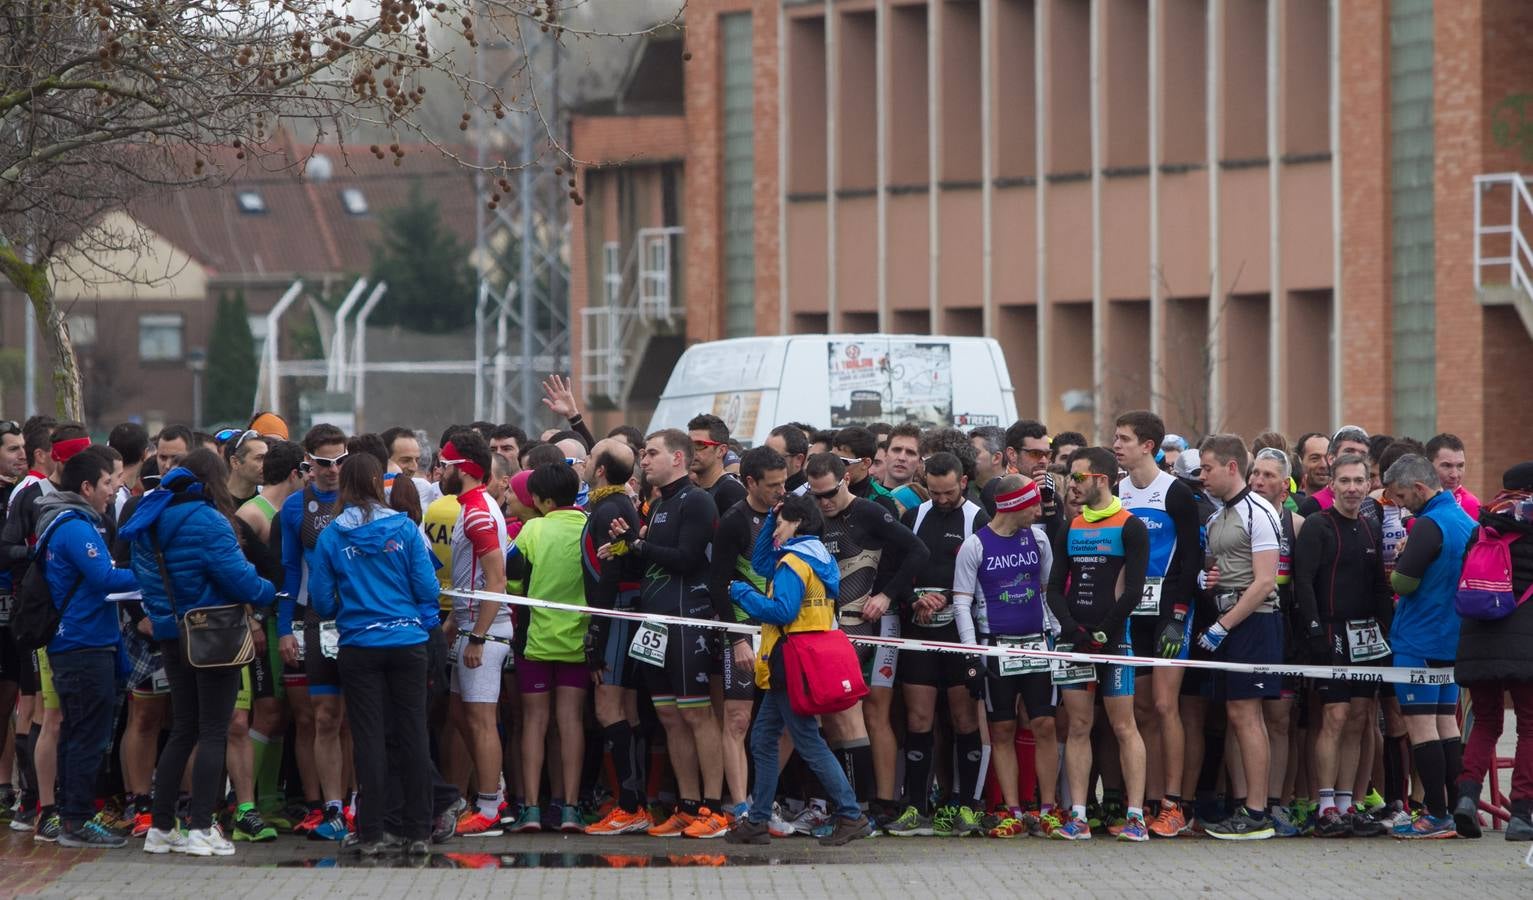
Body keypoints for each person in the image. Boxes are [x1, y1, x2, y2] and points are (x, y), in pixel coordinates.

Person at [124, 449, 276, 857]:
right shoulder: (208, 520)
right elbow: (238, 578)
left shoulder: (148, 516)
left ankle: (160, 827)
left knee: (183, 729)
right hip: (213, 636)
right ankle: (201, 828)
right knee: (213, 730)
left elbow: (141, 573)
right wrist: (267, 592)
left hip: (171, 634)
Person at [306, 454, 439, 857]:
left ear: (345, 485)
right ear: (379, 484)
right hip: (407, 642)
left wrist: (353, 602)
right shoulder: (404, 526)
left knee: (368, 739)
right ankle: (418, 832)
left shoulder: (332, 535)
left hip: (359, 645)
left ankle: (372, 833)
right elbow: (429, 589)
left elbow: (321, 603)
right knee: (414, 734)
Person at [724, 495, 873, 847]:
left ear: (798, 524)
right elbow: (762, 562)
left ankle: (852, 815)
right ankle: (758, 820)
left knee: (807, 742)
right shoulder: (817, 556)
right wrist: (775, 526)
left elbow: (782, 612)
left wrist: (740, 592)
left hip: (792, 660)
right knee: (763, 739)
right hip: (804, 659)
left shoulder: (793, 563)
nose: (774, 529)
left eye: (780, 524)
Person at [600, 429, 727, 839]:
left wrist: (635, 546)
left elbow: (688, 560)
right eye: (642, 453)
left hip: (687, 616)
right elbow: (651, 564)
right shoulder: (656, 504)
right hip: (654, 621)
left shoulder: (697, 499)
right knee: (670, 716)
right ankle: (687, 805)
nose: (644, 459)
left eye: (651, 453)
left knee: (696, 714)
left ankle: (714, 807)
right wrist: (621, 549)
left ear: (678, 458)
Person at [804, 452, 927, 831]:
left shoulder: (870, 511)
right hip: (828, 628)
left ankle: (878, 805)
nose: (824, 503)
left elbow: (917, 552)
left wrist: (888, 595)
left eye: (830, 494)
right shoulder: (812, 512)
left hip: (869, 625)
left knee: (868, 712)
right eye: (817, 495)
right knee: (831, 716)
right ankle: (843, 806)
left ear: (846, 479)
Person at [1045, 446, 1150, 842]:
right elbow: (1054, 589)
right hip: (1076, 639)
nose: (1070, 484)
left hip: (1115, 640)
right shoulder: (1070, 527)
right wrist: (1073, 631)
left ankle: (1136, 817)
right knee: (1078, 726)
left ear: (1100, 480)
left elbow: (1134, 593)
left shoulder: (1130, 526)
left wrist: (1104, 632)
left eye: (1076, 477)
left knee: (1124, 726)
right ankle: (1078, 816)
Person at [38, 449, 138, 848]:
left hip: (88, 642)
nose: (115, 491)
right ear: (86, 487)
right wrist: (156, 574)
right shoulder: (75, 527)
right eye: (110, 483)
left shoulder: (74, 523)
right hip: (81, 645)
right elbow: (104, 577)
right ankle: (76, 820)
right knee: (87, 734)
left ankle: (72, 816)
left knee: (81, 731)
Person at [888, 452, 990, 838]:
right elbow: (896, 568)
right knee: (918, 720)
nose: (943, 499)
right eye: (935, 492)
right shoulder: (913, 515)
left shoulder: (975, 517)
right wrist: (914, 598)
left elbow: (982, 574)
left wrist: (948, 596)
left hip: (959, 633)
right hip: (920, 629)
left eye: (949, 492)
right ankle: (916, 806)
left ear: (962, 482)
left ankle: (966, 805)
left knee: (964, 721)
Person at [1292, 454, 1393, 839]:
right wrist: (1315, 631)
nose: (1353, 488)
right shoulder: (1318, 525)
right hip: (1330, 632)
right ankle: (1325, 804)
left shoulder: (1370, 526)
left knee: (1359, 717)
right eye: (1345, 481)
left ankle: (1348, 803)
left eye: (1359, 481)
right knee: (1333, 718)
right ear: (1331, 485)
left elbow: (1380, 587)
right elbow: (1303, 582)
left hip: (1366, 636)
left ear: (1369, 485)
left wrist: (1388, 631)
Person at [951, 474, 1059, 838]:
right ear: (1013, 504)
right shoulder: (975, 546)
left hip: (1035, 643)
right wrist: (971, 653)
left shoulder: (1039, 538)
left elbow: (1047, 591)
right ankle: (1011, 809)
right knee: (1002, 728)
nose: (1039, 509)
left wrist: (1055, 635)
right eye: (1033, 503)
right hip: (995, 645)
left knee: (1044, 724)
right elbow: (962, 602)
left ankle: (1046, 808)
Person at [1112, 411, 1202, 839]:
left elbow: (1190, 558)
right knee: (1142, 708)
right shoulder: (1118, 492)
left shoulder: (1176, 493)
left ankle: (1174, 804)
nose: (1117, 445)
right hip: (1133, 614)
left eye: (1124, 439)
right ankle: (1144, 806)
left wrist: (1179, 614)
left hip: (1170, 612)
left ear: (1148, 445)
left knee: (1167, 706)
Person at [1382, 452, 1477, 839]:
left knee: (1420, 727)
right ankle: (1457, 807)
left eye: (1402, 497)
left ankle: (1435, 814)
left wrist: (1397, 565)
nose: (1400, 505)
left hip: (1418, 638)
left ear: (1420, 488)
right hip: (1453, 638)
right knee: (1445, 726)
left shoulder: (1428, 525)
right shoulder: (1466, 520)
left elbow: (1404, 584)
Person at [1195, 434, 1285, 840]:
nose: (1202, 476)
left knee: (1248, 715)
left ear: (1232, 467)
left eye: (1208, 467)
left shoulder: (1259, 511)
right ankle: (1245, 805)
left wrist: (1223, 625)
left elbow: (1265, 581)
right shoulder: (1217, 516)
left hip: (1255, 620)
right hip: (1227, 616)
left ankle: (1257, 811)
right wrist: (1205, 579)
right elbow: (1221, 569)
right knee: (1235, 715)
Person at [503, 463, 590, 834]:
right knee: (570, 722)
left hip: (534, 641)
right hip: (580, 641)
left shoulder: (532, 529)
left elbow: (513, 581)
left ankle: (531, 809)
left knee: (535, 722)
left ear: (544, 500)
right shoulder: (590, 525)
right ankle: (570, 808)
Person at [276, 424, 351, 841]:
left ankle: (353, 804)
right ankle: (323, 805)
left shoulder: (358, 500)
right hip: (311, 618)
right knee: (319, 718)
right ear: (308, 461)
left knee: (351, 721)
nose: (333, 470)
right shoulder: (294, 507)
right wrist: (284, 628)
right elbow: (289, 570)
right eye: (324, 462)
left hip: (356, 620)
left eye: (341, 461)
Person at [437, 431, 513, 838]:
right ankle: (491, 793)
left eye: (446, 465)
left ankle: (489, 808)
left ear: (464, 468)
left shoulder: (478, 512)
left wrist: (479, 637)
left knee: (482, 720)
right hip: (468, 625)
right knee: (459, 716)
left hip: (486, 630)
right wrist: (453, 624)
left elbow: (497, 580)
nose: (440, 472)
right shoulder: (471, 506)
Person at [707, 446, 788, 821]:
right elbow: (717, 584)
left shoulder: (788, 515)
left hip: (783, 631)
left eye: (784, 483)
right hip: (744, 629)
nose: (780, 491)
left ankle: (763, 799)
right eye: (773, 486)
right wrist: (736, 638)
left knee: (789, 720)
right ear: (750, 482)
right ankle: (740, 805)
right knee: (738, 720)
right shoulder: (734, 521)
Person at [1453, 462, 1533, 841]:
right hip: (1524, 644)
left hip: (1479, 640)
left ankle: (1467, 798)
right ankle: (1521, 813)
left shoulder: (1482, 524)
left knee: (1485, 723)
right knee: (1530, 727)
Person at [580, 439, 652, 836]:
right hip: (624, 612)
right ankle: (634, 798)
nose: (586, 463)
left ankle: (631, 806)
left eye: (591, 458)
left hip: (618, 613)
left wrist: (596, 635)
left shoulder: (609, 507)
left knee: (608, 707)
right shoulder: (616, 502)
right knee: (627, 708)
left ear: (602, 471)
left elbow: (610, 575)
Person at [1296, 426, 1370, 517]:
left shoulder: (1374, 505)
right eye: (1349, 451)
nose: (1356, 458)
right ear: (1331, 459)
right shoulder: (1313, 505)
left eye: (1363, 454)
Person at [688, 414, 747, 515]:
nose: (692, 451)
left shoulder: (731, 491)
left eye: (700, 445)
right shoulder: (690, 490)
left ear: (721, 450)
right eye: (688, 445)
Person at [1426, 433, 1481, 520]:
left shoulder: (1469, 505)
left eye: (1460, 466)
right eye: (1447, 466)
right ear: (1427, 465)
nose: (1455, 475)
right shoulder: (1410, 499)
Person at [765, 424, 810, 494]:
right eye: (763, 453)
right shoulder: (760, 490)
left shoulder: (809, 497)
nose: (764, 460)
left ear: (799, 459)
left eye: (774, 456)